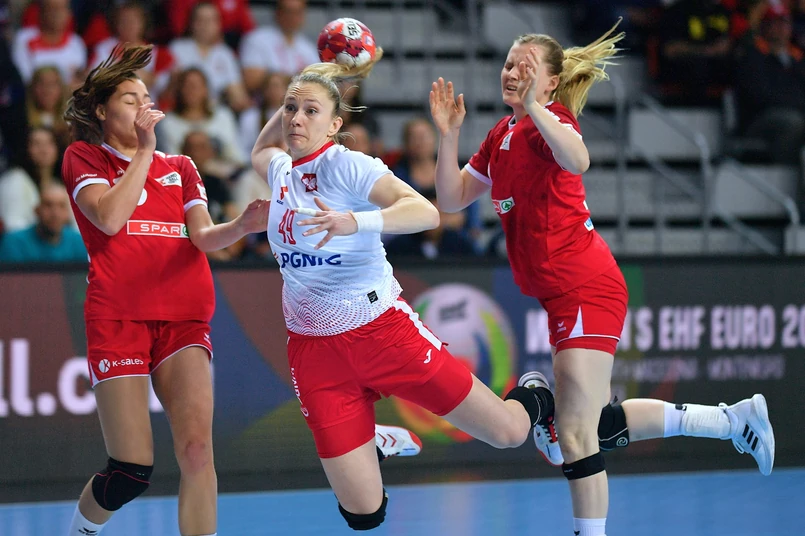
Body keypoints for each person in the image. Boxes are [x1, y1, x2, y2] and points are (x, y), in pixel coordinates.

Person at [61, 44, 422, 536]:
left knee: (196, 451)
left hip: (184, 316)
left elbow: (203, 237)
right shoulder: (84, 157)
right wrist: (143, 151)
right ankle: (80, 530)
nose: (144, 106)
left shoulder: (180, 167)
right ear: (102, 112)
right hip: (118, 316)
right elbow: (108, 217)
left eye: (147, 97)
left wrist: (242, 225)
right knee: (130, 470)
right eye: (130, 99)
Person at [429, 23, 775, 536]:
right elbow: (451, 198)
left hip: (585, 287)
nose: (512, 73)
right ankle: (731, 421)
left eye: (526, 67)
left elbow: (579, 158)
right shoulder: (501, 134)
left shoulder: (552, 121)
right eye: (508, 64)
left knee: (574, 436)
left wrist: (538, 108)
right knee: (596, 428)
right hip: (562, 296)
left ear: (550, 82)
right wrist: (447, 135)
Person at [249, 49, 557, 532]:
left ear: (334, 125)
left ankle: (535, 395)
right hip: (314, 353)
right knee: (364, 515)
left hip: (382, 333)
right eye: (290, 109)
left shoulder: (349, 165)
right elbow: (260, 150)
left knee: (509, 432)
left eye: (311, 111)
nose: (296, 119)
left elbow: (426, 212)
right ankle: (373, 441)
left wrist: (356, 221)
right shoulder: (280, 171)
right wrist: (305, 82)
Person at [0, 183, 86, 262]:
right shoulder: (14, 243)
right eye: (48, 205)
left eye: (61, 206)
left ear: (68, 213)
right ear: (37, 210)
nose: (55, 213)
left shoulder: (79, 243)